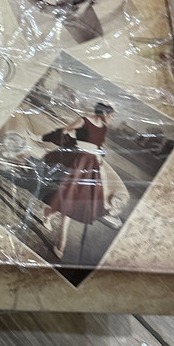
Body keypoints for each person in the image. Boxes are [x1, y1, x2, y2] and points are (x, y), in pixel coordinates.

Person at [41, 102, 114, 259]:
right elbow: (65, 131)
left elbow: (99, 147)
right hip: (77, 163)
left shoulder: (104, 128)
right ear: (104, 113)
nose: (112, 119)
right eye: (111, 115)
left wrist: (99, 160)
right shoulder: (84, 121)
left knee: (76, 199)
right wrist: (75, 146)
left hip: (91, 166)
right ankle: (62, 240)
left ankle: (49, 212)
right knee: (70, 197)